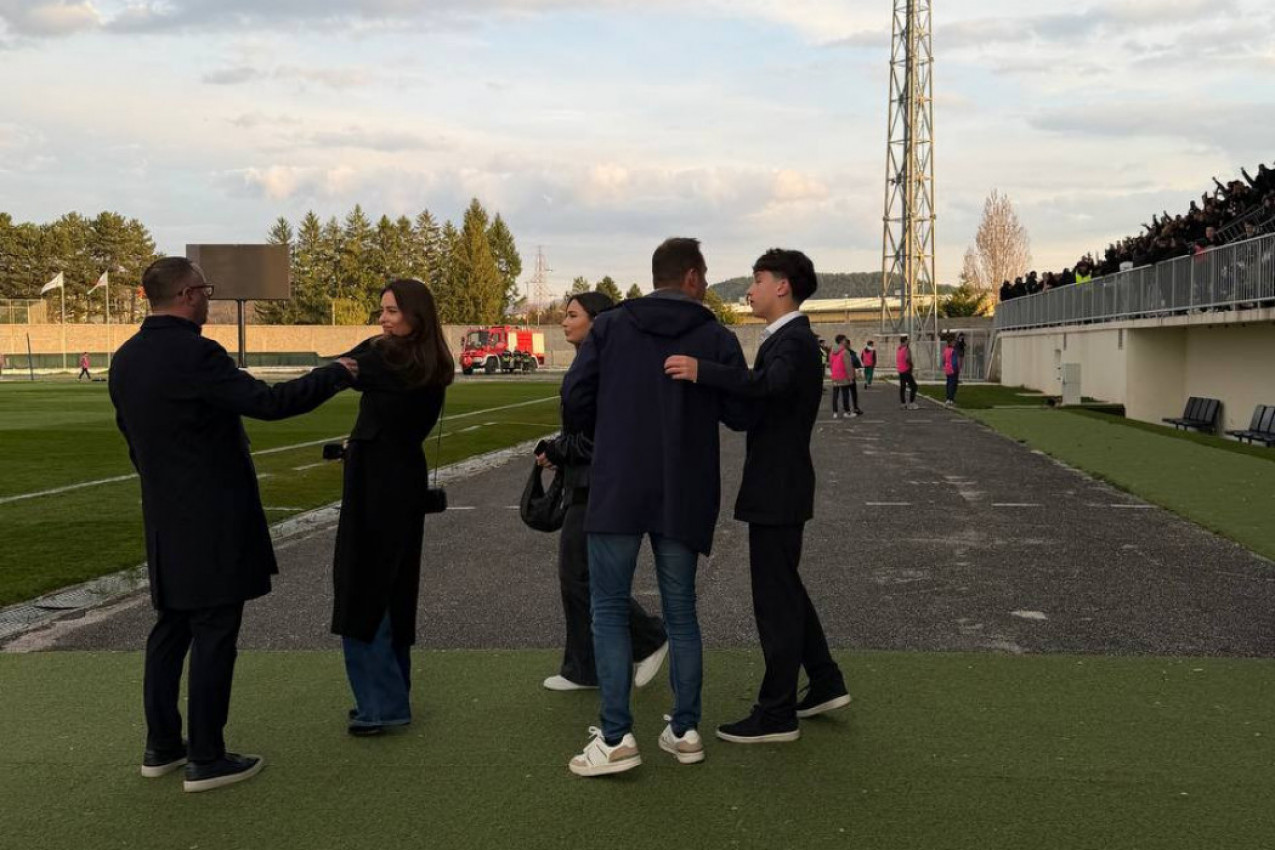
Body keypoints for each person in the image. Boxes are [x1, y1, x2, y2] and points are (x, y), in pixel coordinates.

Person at [109, 256, 356, 793]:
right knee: (215, 630)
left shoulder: (125, 358)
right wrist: (336, 373)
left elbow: (132, 438)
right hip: (213, 516)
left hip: (164, 514)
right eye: (206, 290)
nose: (209, 299)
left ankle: (162, 745)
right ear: (188, 295)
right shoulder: (198, 353)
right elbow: (270, 403)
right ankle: (207, 756)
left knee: (171, 627)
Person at [561, 237, 749, 777]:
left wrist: (613, 426)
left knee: (607, 609)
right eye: (705, 275)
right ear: (690, 276)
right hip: (685, 486)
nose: (707, 284)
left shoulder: (611, 327)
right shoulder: (715, 335)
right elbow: (741, 413)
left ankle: (616, 736)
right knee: (681, 611)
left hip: (619, 483)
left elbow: (574, 398)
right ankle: (685, 729)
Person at [666, 248, 849, 744]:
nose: (750, 291)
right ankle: (825, 680)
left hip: (779, 488)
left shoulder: (794, 342)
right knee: (785, 589)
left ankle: (776, 713)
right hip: (779, 486)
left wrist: (705, 372)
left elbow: (771, 384)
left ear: (782, 286)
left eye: (758, 280)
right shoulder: (786, 340)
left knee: (775, 601)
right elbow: (758, 405)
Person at [332, 279, 452, 737]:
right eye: (382, 310)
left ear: (415, 316)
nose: (382, 319)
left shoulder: (389, 360)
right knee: (391, 587)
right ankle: (389, 696)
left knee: (365, 588)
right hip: (400, 480)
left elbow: (342, 366)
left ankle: (381, 705)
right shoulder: (425, 359)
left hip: (379, 485)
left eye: (392, 311)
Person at [536, 291, 668, 693]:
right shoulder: (595, 363)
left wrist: (558, 449)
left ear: (598, 322)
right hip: (588, 480)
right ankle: (586, 667)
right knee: (580, 576)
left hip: (598, 485)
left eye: (572, 315)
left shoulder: (604, 368)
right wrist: (559, 451)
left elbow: (600, 439)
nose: (564, 321)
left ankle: (648, 639)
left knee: (580, 576)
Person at [827, 335, 861, 419]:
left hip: (835, 375)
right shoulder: (845, 352)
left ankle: (835, 412)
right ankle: (847, 412)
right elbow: (848, 366)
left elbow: (830, 364)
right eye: (845, 340)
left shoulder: (832, 351)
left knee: (835, 394)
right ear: (842, 341)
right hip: (843, 375)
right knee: (845, 394)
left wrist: (833, 372)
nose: (846, 341)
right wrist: (851, 378)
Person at [896, 336, 918, 409]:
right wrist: (911, 364)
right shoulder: (907, 349)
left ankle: (903, 403)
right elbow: (907, 358)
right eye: (907, 340)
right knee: (914, 386)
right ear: (905, 341)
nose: (908, 342)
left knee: (902, 387)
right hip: (906, 370)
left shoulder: (899, 349)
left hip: (900, 370)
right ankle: (912, 403)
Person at [943, 336, 961, 407]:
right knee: (953, 385)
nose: (954, 343)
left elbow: (943, 360)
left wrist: (945, 366)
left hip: (947, 369)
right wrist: (957, 369)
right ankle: (950, 399)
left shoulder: (946, 350)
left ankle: (948, 398)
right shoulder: (953, 351)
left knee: (949, 383)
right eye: (953, 342)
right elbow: (955, 361)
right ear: (950, 343)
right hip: (953, 369)